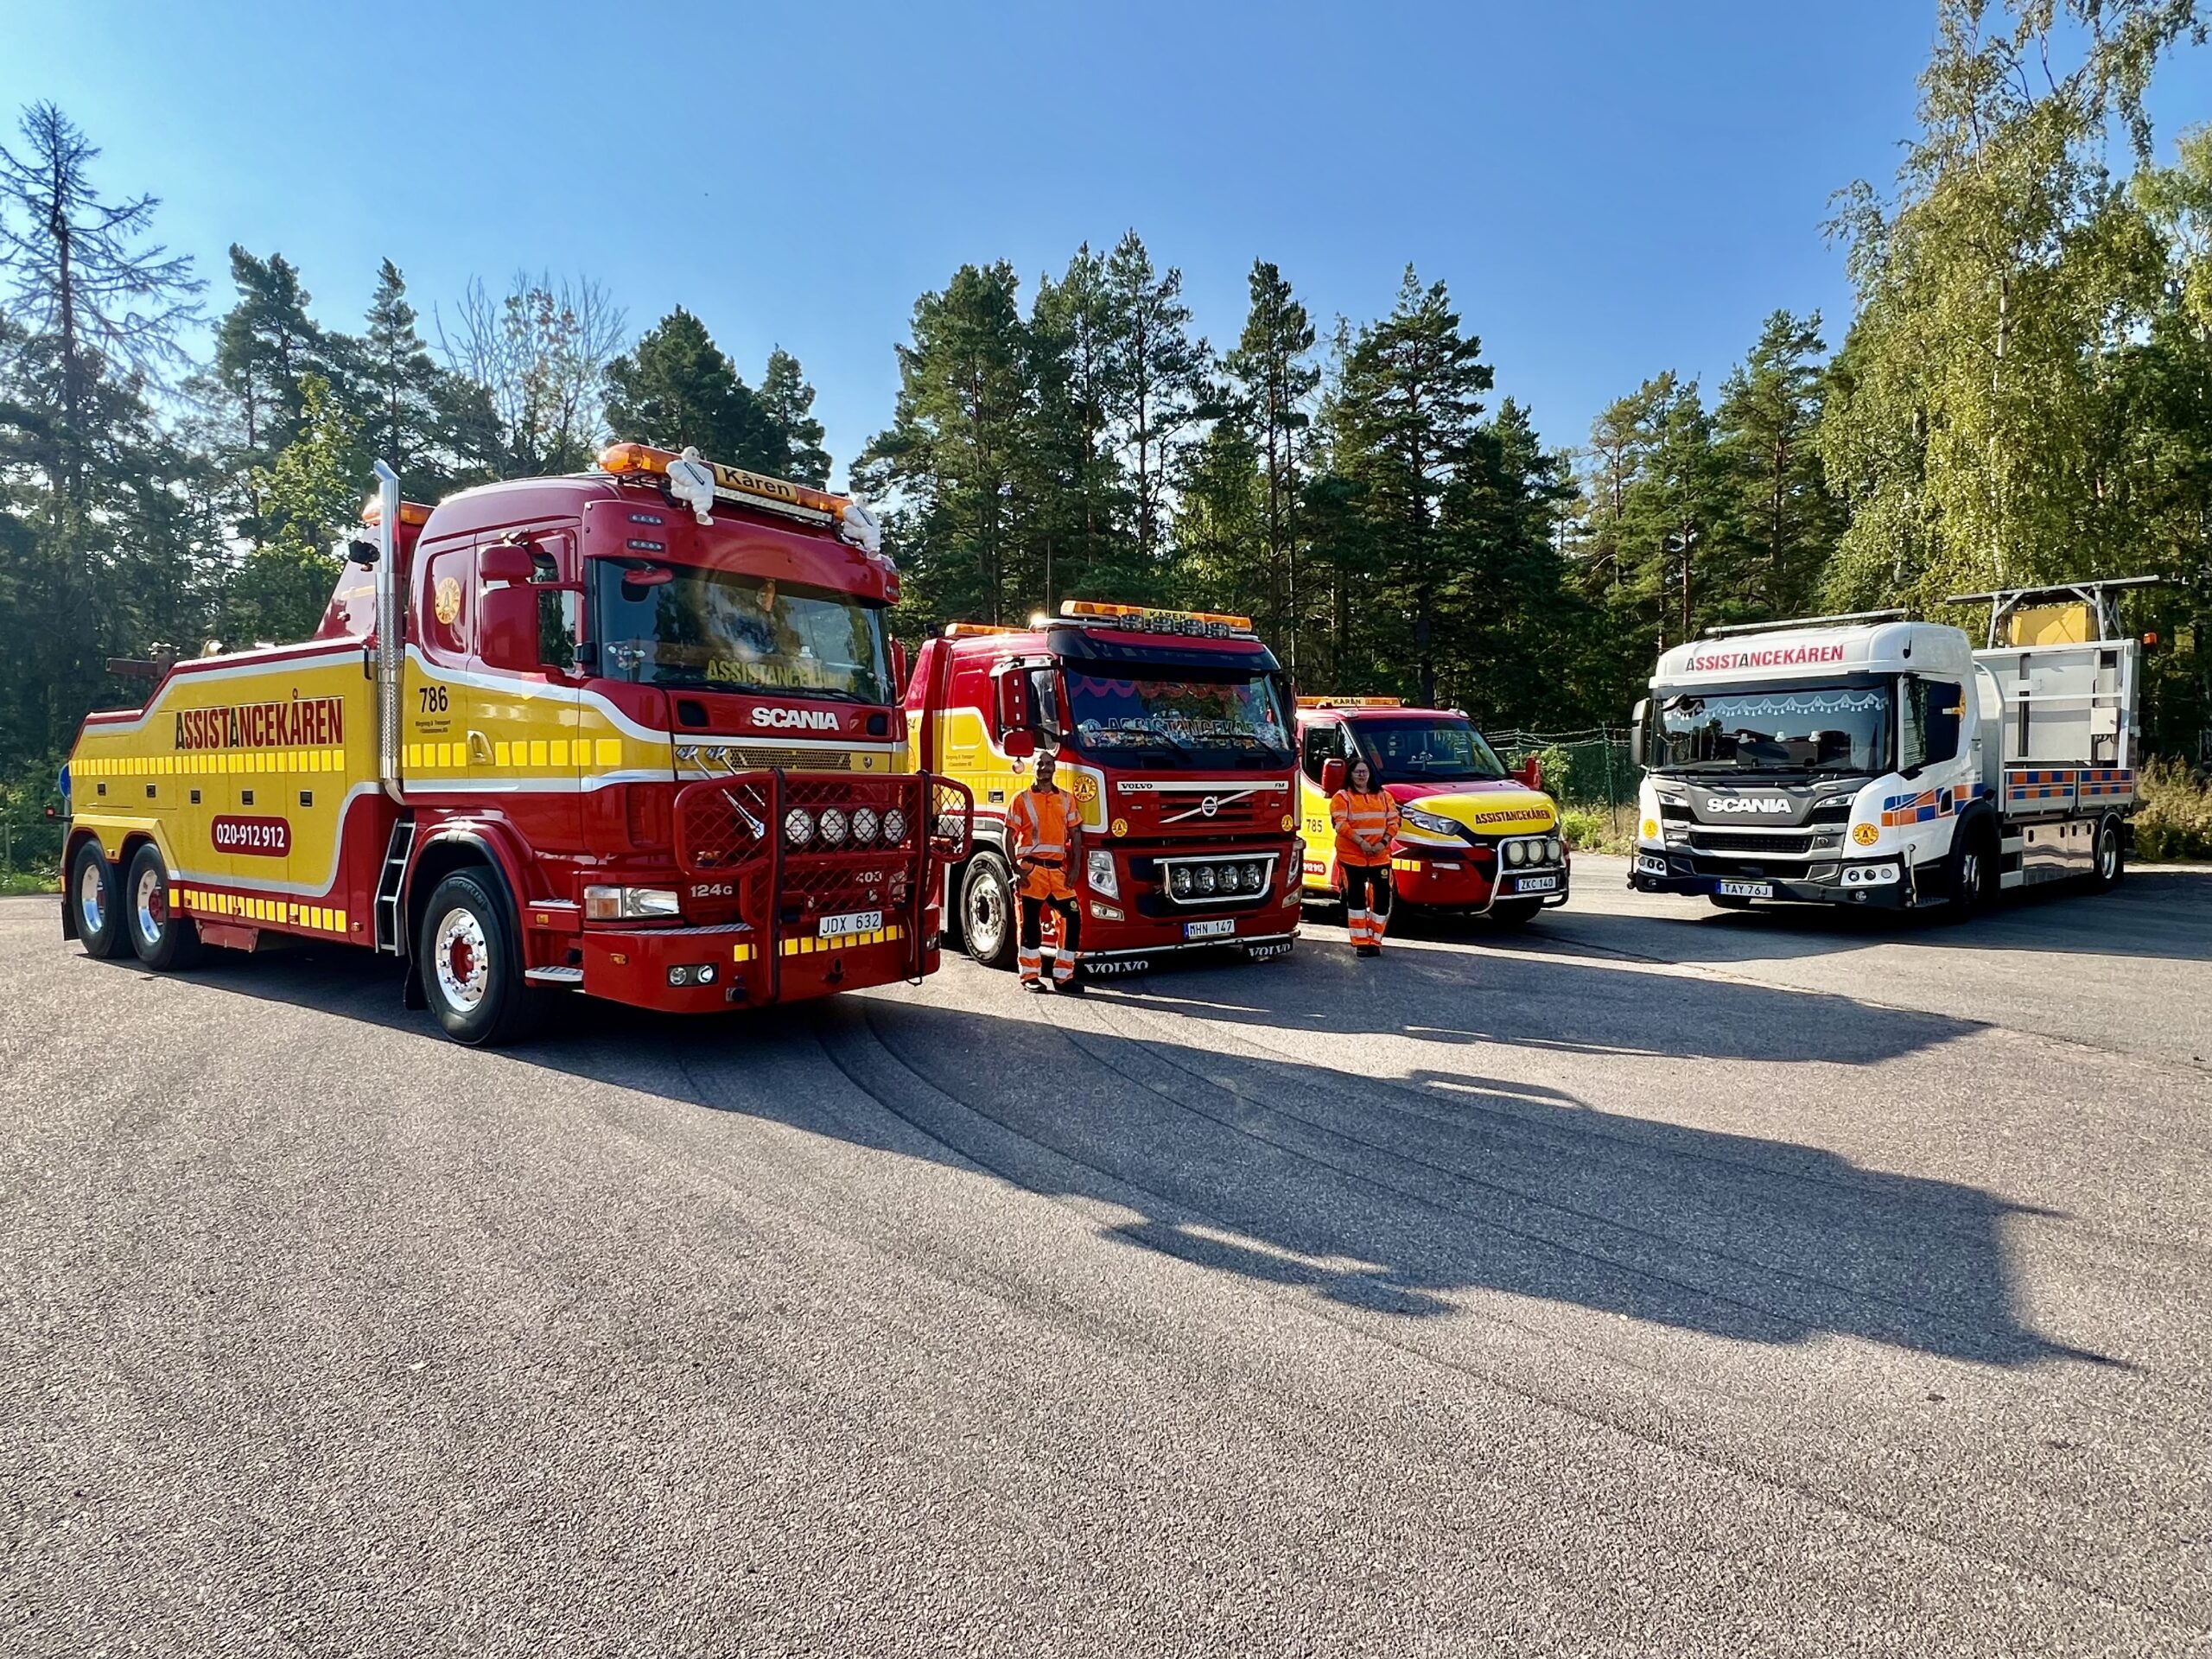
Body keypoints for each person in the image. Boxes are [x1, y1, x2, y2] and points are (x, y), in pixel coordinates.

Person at [1006, 748, 1084, 992]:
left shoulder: (1067, 798)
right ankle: (1030, 976)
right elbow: (1008, 835)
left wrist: (1075, 868)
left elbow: (1076, 834)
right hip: (1032, 871)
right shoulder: (1021, 799)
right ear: (1034, 768)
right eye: (1040, 764)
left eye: (1049, 763)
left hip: (1058, 871)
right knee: (1030, 926)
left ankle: (1063, 977)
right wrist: (1015, 869)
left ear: (1055, 768)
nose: (1045, 768)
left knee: (1072, 918)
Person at [1331, 753, 1400, 957]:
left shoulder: (1385, 796)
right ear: (1350, 775)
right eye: (1357, 771)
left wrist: (1383, 843)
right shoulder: (1342, 797)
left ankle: (1376, 940)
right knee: (1356, 899)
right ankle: (1361, 942)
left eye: (1365, 771)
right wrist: (1362, 843)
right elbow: (1341, 825)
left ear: (1370, 774)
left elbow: (1394, 822)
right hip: (1352, 856)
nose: (1361, 775)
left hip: (1380, 856)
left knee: (1382, 899)